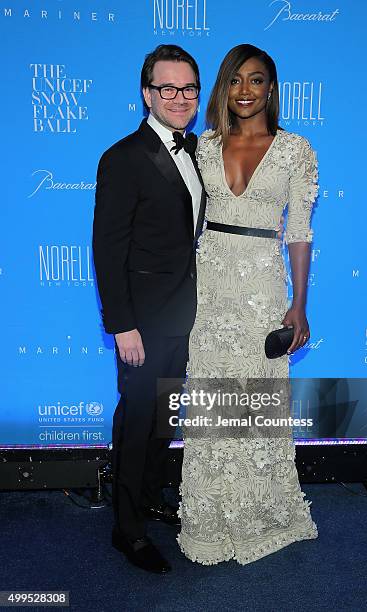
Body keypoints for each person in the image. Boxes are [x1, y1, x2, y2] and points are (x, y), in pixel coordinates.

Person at [177, 44, 319, 565]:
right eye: (235, 80)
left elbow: (299, 232)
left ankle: (263, 513)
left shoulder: (296, 150)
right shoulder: (202, 146)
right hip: (208, 288)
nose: (244, 91)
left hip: (262, 286)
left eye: (256, 80)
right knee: (213, 403)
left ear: (271, 88)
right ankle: (211, 520)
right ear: (223, 87)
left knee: (257, 405)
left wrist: (299, 304)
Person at [92, 44, 206, 574]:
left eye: (188, 88)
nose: (179, 98)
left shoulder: (200, 150)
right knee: (137, 423)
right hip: (141, 323)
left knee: (164, 418)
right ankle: (128, 530)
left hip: (186, 316)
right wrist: (122, 326)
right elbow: (108, 248)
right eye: (168, 88)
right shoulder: (122, 158)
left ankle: (153, 497)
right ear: (147, 94)